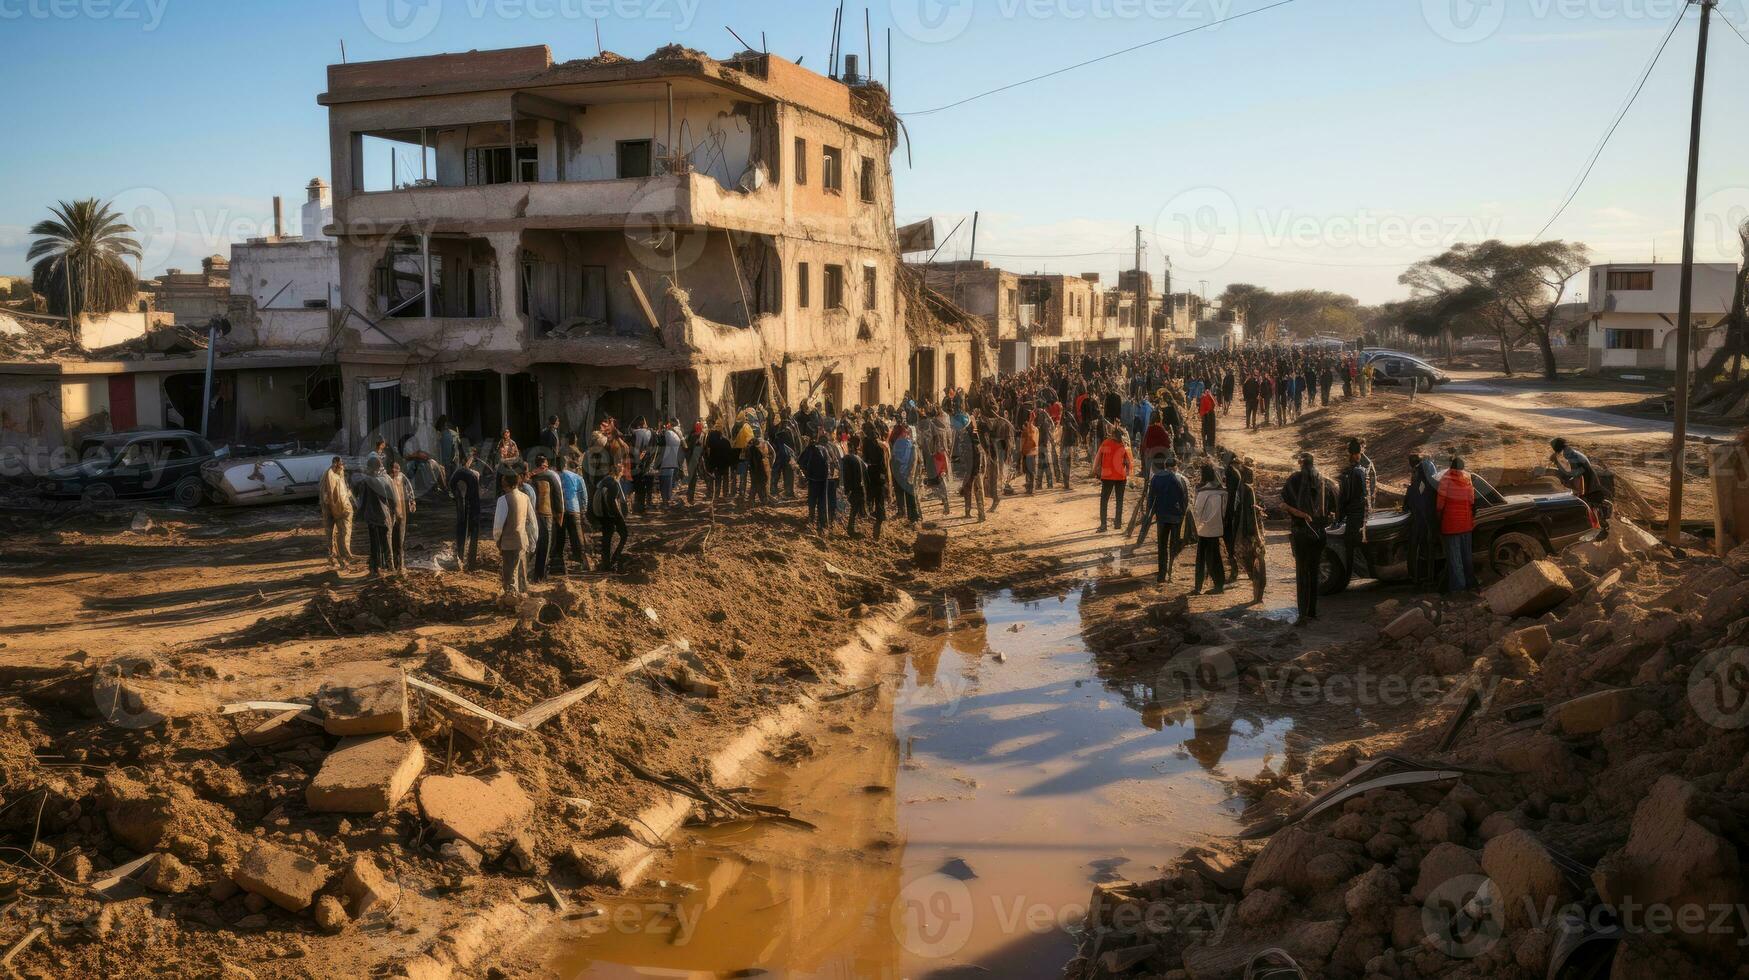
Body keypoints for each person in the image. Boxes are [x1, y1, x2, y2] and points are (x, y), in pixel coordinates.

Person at [1280, 452, 1336, 626]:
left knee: (1302, 572)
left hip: (1301, 533)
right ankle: (1312, 612)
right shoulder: (1325, 482)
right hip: (1320, 534)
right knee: (1314, 571)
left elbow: (1284, 503)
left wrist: (1296, 512)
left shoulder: (1293, 480)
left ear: (1300, 464)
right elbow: (1333, 510)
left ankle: (1303, 613)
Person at [1139, 455, 1190, 584]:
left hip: (1162, 516)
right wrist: (1183, 513)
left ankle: (1161, 574)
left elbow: (1151, 498)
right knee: (1174, 544)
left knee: (1162, 545)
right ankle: (1171, 572)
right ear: (1175, 467)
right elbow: (1185, 499)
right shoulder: (1181, 479)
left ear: (1165, 467)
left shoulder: (1156, 478)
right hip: (1176, 517)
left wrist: (1150, 513)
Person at [1437, 455, 1479, 594]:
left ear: (1451, 466)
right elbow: (1472, 500)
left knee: (1455, 559)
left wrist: (1438, 519)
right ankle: (1471, 584)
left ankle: (1458, 588)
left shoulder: (1445, 479)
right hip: (1466, 525)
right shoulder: (1467, 480)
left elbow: (1440, 504)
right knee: (1467, 556)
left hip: (1451, 525)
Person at [491, 471, 535, 595]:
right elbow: (532, 521)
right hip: (522, 540)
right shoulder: (525, 497)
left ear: (506, 484)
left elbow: (498, 526)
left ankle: (511, 600)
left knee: (509, 575)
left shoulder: (503, 500)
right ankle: (522, 598)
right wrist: (532, 541)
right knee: (521, 572)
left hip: (509, 542)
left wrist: (497, 540)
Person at [1549, 437, 1608, 528]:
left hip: (1590, 486)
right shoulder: (1570, 452)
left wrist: (1578, 492)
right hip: (1590, 483)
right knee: (1590, 508)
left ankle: (1596, 528)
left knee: (1589, 508)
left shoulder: (1570, 456)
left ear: (1557, 448)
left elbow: (1578, 475)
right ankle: (1596, 527)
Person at [1231, 461, 1268, 604]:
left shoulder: (1240, 488)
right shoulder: (1247, 489)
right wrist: (1255, 534)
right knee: (1257, 560)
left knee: (1248, 561)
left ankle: (1255, 592)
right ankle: (1257, 596)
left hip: (1241, 530)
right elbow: (1250, 513)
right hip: (1250, 531)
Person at [1403, 453, 1439, 588]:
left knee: (1420, 546)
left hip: (1420, 518)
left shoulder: (1417, 475)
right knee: (1429, 547)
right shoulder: (1425, 472)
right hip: (1427, 517)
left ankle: (1419, 576)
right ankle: (1428, 577)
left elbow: (1414, 495)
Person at [1191, 463, 1228, 596]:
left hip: (1203, 528)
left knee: (1201, 558)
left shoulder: (1202, 492)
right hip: (1217, 528)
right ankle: (1218, 584)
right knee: (1215, 556)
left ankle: (1199, 586)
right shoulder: (1223, 492)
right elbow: (1224, 512)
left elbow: (1197, 511)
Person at [1337, 438, 1371, 573]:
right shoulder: (1359, 471)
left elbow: (1343, 497)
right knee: (1360, 544)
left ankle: (1349, 571)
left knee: (1350, 545)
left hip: (1351, 513)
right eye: (1359, 453)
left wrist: (1341, 514)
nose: (1360, 456)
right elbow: (1363, 494)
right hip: (1359, 513)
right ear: (1356, 455)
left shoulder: (1346, 472)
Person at [590, 465, 629, 571]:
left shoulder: (604, 481)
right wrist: (619, 517)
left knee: (607, 536)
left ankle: (606, 563)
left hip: (600, 512)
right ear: (619, 472)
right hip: (608, 513)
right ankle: (613, 561)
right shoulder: (614, 483)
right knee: (624, 535)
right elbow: (612, 501)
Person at [528, 457, 561, 583]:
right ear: (545, 464)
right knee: (546, 544)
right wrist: (558, 513)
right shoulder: (550, 475)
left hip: (533, 514)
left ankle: (529, 571)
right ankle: (540, 576)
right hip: (546, 513)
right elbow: (557, 495)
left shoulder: (531, 476)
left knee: (534, 542)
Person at [319, 456, 355, 570]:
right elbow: (327, 495)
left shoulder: (338, 474)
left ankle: (343, 557)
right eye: (341, 464)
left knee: (342, 533)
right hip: (331, 509)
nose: (342, 466)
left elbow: (343, 490)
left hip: (339, 508)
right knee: (333, 535)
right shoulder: (329, 475)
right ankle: (335, 558)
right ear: (335, 464)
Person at [449, 451, 482, 571]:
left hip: (469, 505)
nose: (470, 462)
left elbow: (452, 486)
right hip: (468, 505)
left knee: (465, 531)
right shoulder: (464, 473)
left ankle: (465, 560)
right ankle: (463, 560)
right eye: (469, 460)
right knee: (466, 531)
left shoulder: (471, 474)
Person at [1096, 429, 1133, 533]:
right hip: (1121, 477)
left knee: (1104, 501)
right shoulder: (1124, 445)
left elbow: (1098, 458)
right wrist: (1128, 474)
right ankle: (1118, 524)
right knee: (1119, 500)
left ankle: (1103, 525)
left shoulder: (1105, 443)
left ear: (1112, 435)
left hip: (1107, 477)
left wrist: (1096, 471)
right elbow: (1129, 463)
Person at [557, 454, 588, 574]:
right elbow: (583, 495)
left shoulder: (554, 477)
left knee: (559, 538)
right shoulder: (576, 477)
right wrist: (583, 511)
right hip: (574, 510)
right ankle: (582, 562)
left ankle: (558, 564)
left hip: (559, 511)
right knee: (577, 538)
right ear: (566, 465)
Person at [799, 434, 832, 535]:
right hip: (824, 479)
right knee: (822, 501)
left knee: (812, 500)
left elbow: (800, 460)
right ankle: (822, 524)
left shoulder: (811, 448)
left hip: (813, 479)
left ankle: (811, 520)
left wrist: (805, 473)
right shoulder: (826, 450)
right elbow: (830, 464)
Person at [862, 429, 890, 539]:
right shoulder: (879, 447)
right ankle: (880, 514)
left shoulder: (867, 444)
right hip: (878, 473)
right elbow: (882, 463)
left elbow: (865, 459)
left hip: (871, 472)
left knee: (873, 494)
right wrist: (883, 476)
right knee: (880, 496)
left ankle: (875, 512)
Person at [387, 459, 413, 574]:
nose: (394, 471)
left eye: (396, 469)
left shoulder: (402, 477)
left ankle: (401, 564)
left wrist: (412, 502)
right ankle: (392, 564)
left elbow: (409, 489)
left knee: (401, 539)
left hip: (401, 512)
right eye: (393, 469)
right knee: (391, 538)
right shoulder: (387, 479)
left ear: (399, 470)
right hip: (390, 513)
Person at [958, 419, 986, 522]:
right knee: (972, 491)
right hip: (972, 470)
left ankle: (979, 514)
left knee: (974, 491)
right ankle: (972, 513)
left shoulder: (971, 442)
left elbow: (976, 457)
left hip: (974, 470)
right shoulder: (972, 440)